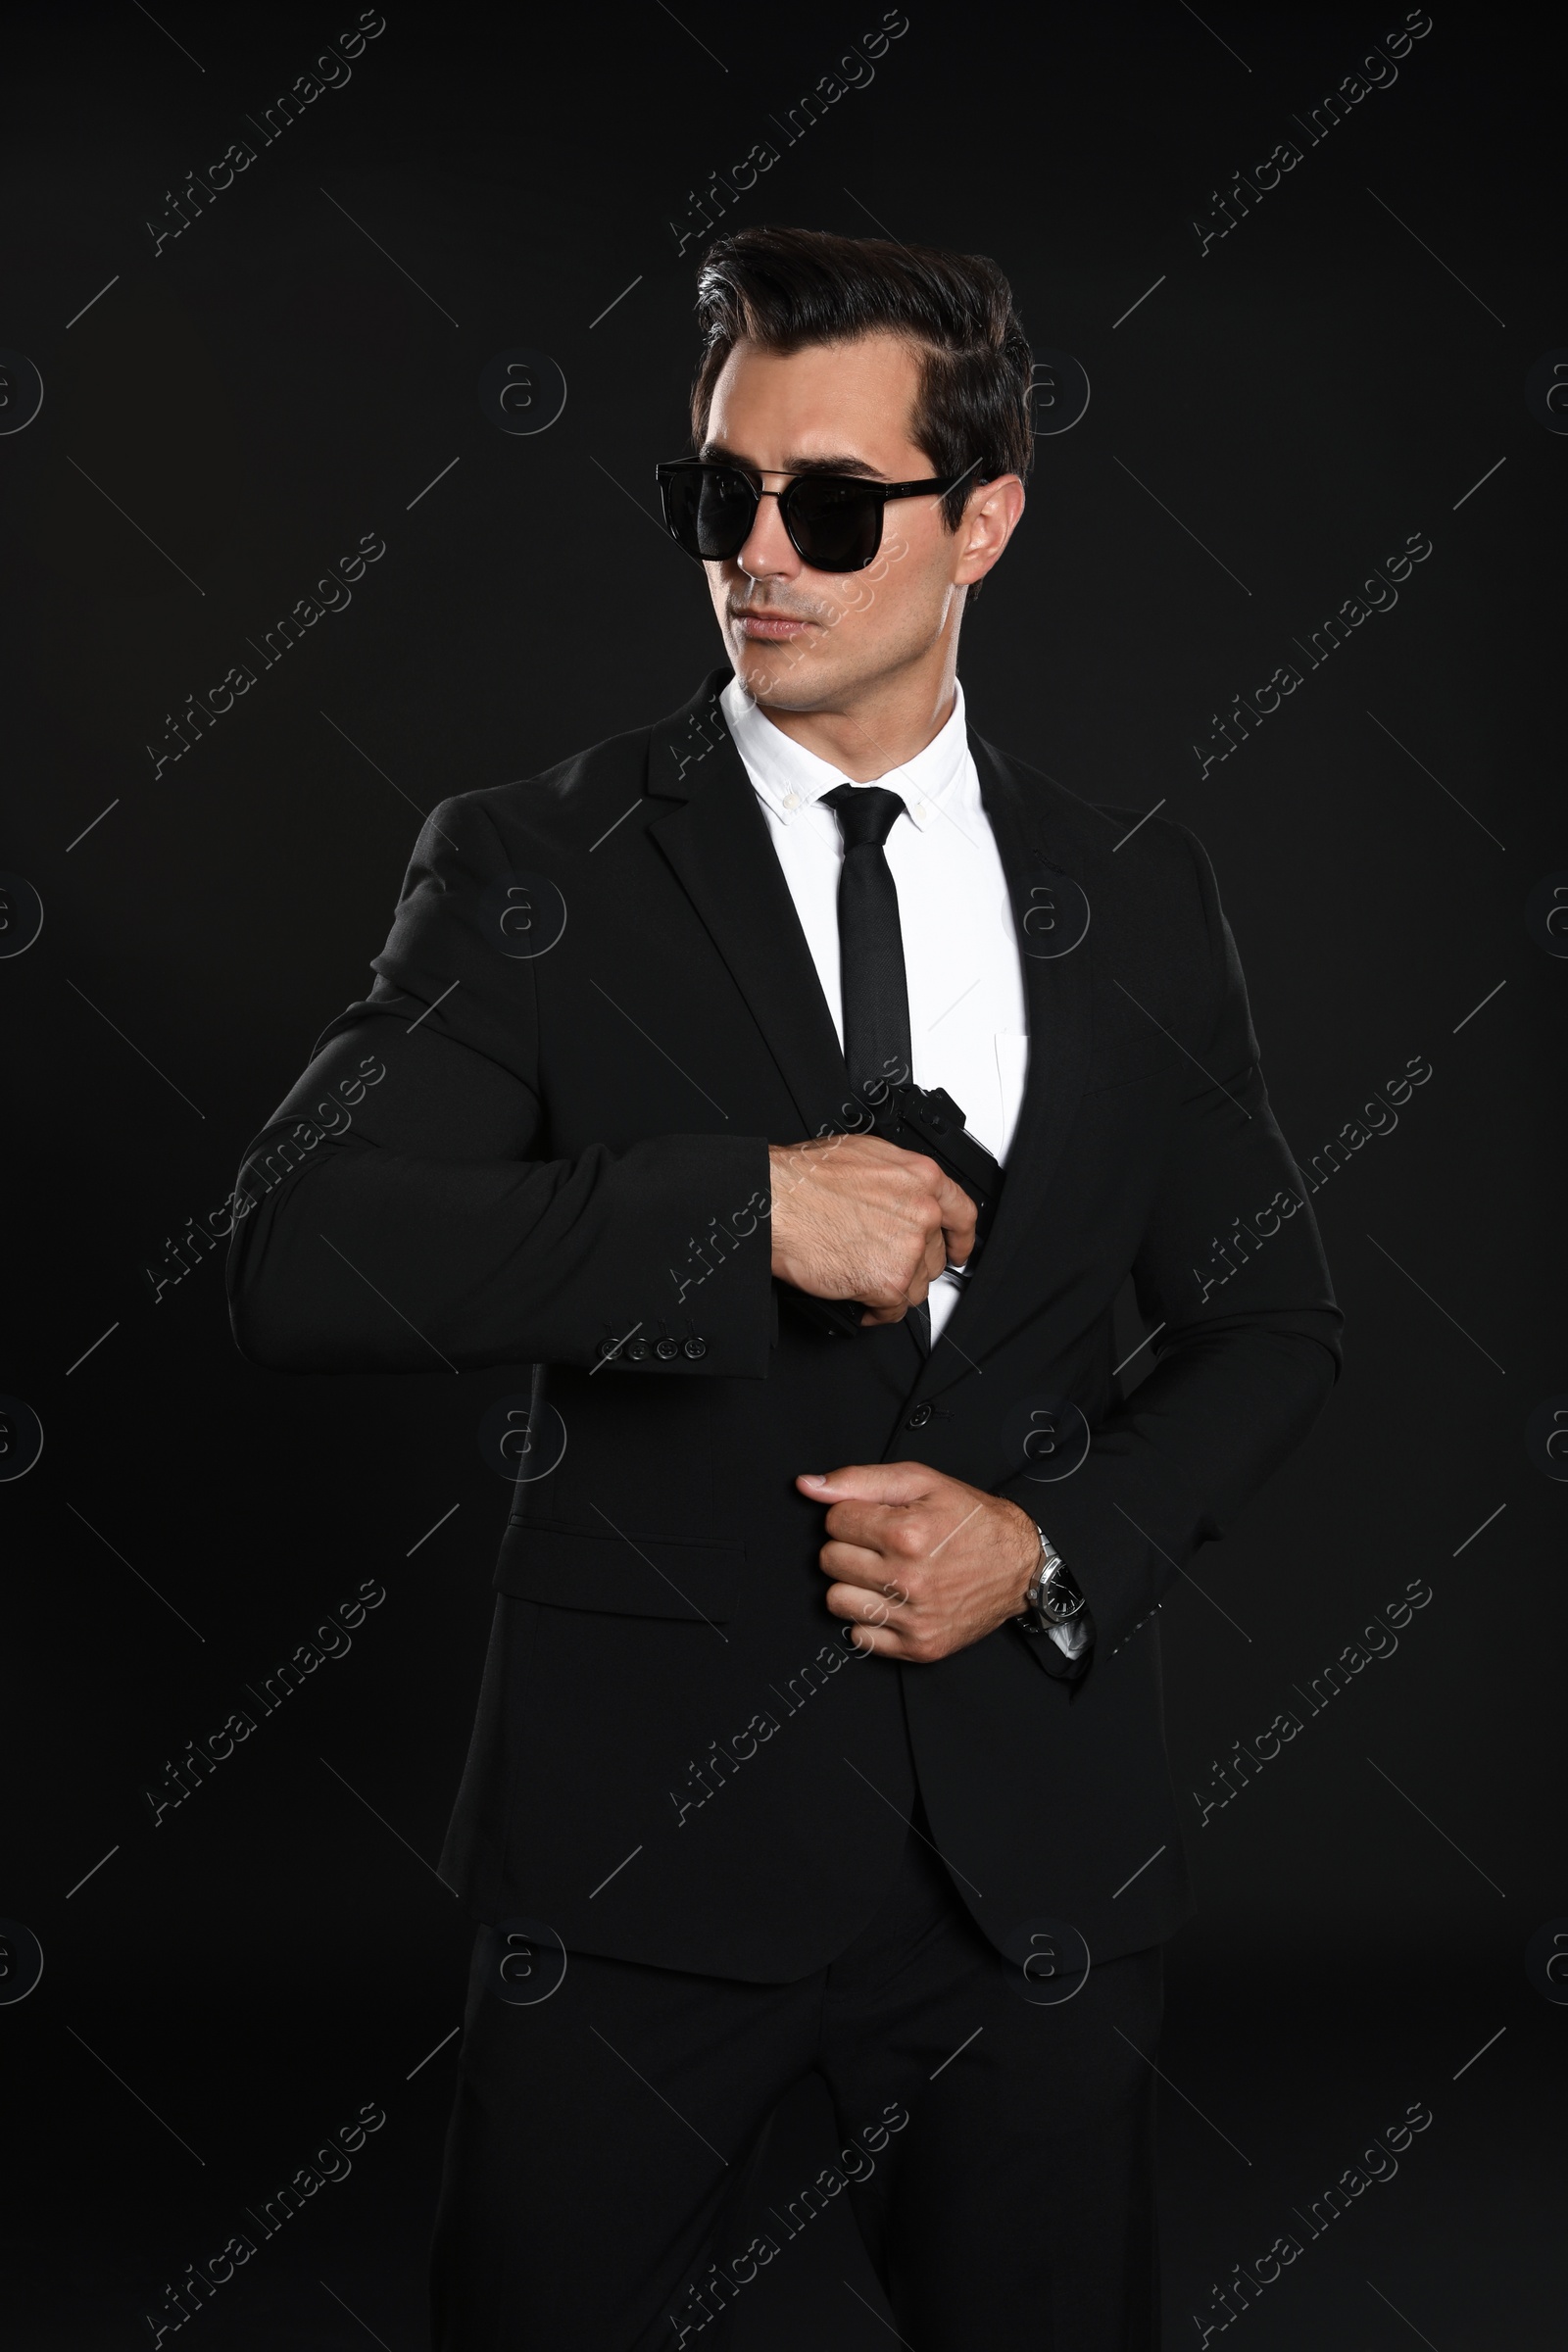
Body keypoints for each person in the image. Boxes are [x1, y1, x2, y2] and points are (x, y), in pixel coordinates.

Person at [228, 223, 1342, 2351]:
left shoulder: (1131, 889)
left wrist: (1045, 1545)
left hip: (1032, 1876)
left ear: (982, 521)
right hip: (639, 1882)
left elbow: (1273, 1324)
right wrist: (739, 1216)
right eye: (713, 495)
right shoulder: (529, 867)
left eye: (829, 504)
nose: (758, 550)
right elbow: (297, 1243)